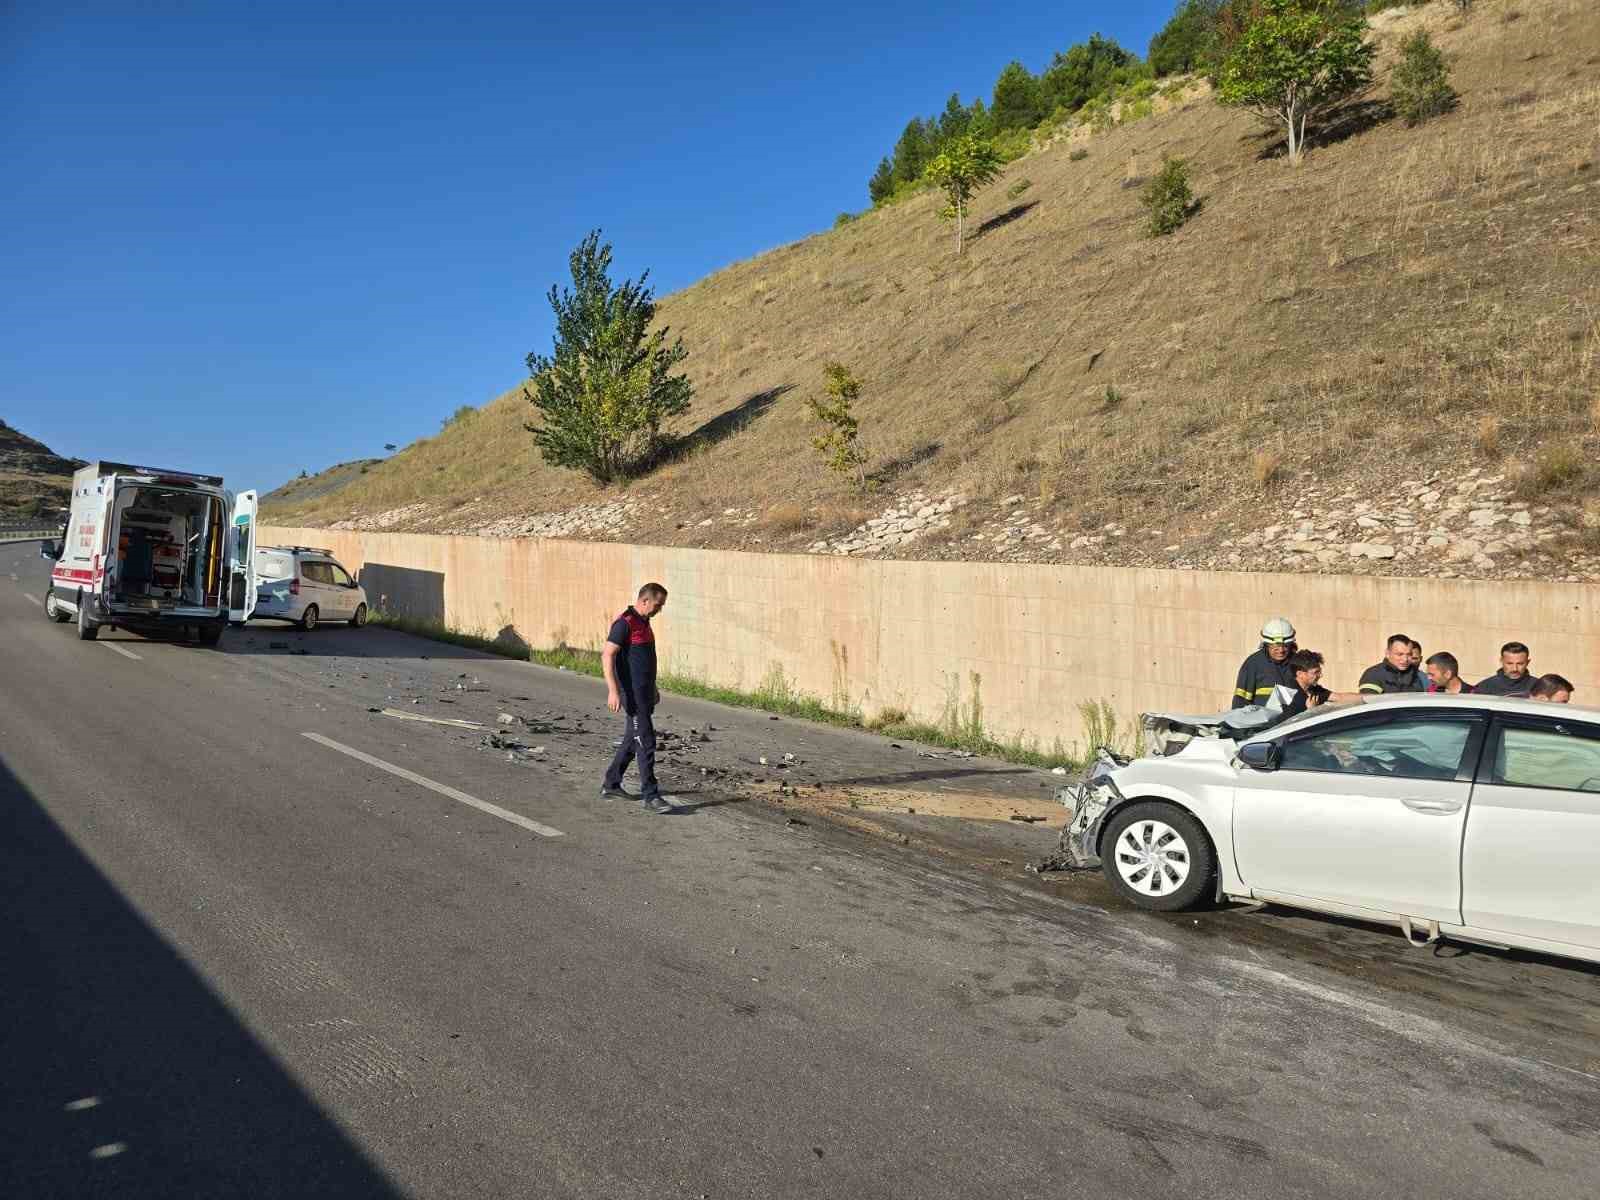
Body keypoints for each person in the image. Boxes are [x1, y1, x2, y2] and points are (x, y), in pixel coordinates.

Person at [600, 583, 672, 813]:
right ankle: (651, 795)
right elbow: (607, 655)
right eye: (658, 605)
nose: (659, 609)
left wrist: (653, 687)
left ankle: (611, 783)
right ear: (645, 601)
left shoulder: (644, 622)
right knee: (646, 742)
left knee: (633, 740)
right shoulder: (624, 624)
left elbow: (645, 661)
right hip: (632, 696)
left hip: (644, 692)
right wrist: (613, 690)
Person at [1233, 617, 1298, 708]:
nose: (1281, 650)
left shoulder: (1298, 663)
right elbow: (1240, 700)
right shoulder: (1253, 664)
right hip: (1262, 720)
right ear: (1266, 645)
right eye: (1276, 647)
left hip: (1294, 720)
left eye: (1286, 646)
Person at [1358, 634, 1427, 695]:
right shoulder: (1373, 674)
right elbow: (1369, 703)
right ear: (1387, 653)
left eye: (1409, 654)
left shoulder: (1418, 675)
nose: (1405, 659)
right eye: (1400, 654)